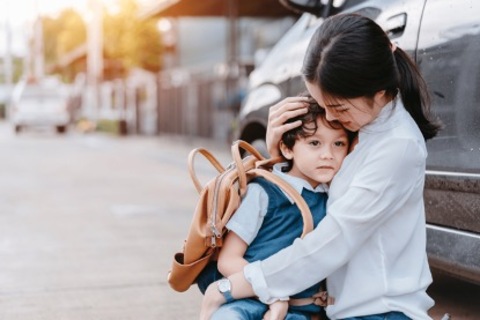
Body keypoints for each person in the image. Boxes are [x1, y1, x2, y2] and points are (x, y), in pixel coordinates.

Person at [200, 13, 441, 320]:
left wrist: (233, 286)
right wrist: (282, 153)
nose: (329, 117)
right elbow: (308, 202)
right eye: (321, 104)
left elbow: (333, 241)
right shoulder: (363, 128)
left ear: (379, 91)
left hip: (381, 312)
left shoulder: (397, 146)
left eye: (338, 108)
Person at [199, 96, 352, 320]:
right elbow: (228, 260)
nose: (328, 154)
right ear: (287, 149)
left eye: (339, 144)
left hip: (300, 311)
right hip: (246, 301)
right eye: (314, 143)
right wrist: (272, 295)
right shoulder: (264, 192)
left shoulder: (335, 199)